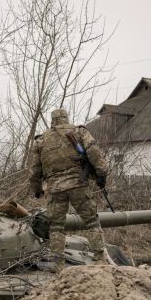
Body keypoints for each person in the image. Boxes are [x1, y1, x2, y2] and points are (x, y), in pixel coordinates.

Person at [27, 108, 109, 272]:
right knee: (92, 221)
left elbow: (34, 170)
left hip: (55, 189)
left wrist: (36, 189)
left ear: (52, 121)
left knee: (56, 227)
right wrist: (101, 173)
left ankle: (58, 264)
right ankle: (100, 259)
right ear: (66, 118)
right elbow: (94, 151)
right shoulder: (79, 131)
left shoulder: (41, 140)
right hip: (78, 184)